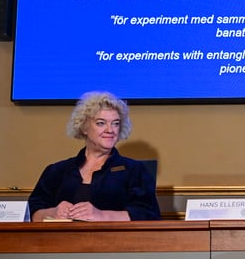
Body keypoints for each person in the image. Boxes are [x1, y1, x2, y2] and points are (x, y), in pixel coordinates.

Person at [29, 91, 160, 221]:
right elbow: (32, 212)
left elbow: (148, 215)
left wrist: (101, 215)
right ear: (84, 127)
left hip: (115, 241)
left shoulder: (135, 171)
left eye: (115, 123)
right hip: (59, 241)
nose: (110, 130)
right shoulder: (57, 171)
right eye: (101, 123)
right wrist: (53, 213)